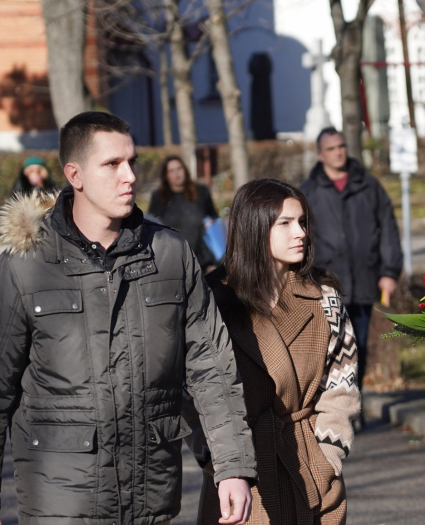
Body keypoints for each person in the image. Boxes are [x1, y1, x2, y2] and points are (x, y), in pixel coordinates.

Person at [0, 111, 256, 525]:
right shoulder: (26, 266)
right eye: (112, 164)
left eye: (132, 161)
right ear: (75, 175)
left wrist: (232, 467)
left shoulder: (170, 255)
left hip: (149, 496)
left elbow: (212, 368)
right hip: (60, 503)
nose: (130, 176)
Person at [191, 178, 360, 525]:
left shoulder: (324, 297)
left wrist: (327, 457)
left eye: (302, 222)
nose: (300, 233)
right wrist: (217, 460)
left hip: (312, 475)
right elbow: (191, 392)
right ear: (253, 228)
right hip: (240, 478)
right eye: (284, 223)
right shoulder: (211, 302)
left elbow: (342, 386)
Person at [299, 127, 402, 422]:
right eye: (331, 149)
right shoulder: (309, 190)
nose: (339, 152)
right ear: (320, 155)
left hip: (363, 280)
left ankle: (354, 406)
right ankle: (331, 408)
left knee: (358, 347)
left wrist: (390, 271)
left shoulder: (368, 186)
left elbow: (388, 228)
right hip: (324, 285)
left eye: (342, 146)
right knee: (329, 350)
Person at [149, 155, 220, 270]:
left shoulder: (201, 192)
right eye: (172, 171)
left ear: (185, 170)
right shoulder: (159, 197)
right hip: (170, 261)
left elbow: (213, 218)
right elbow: (151, 227)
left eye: (179, 169)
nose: (177, 173)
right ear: (166, 176)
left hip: (201, 260)